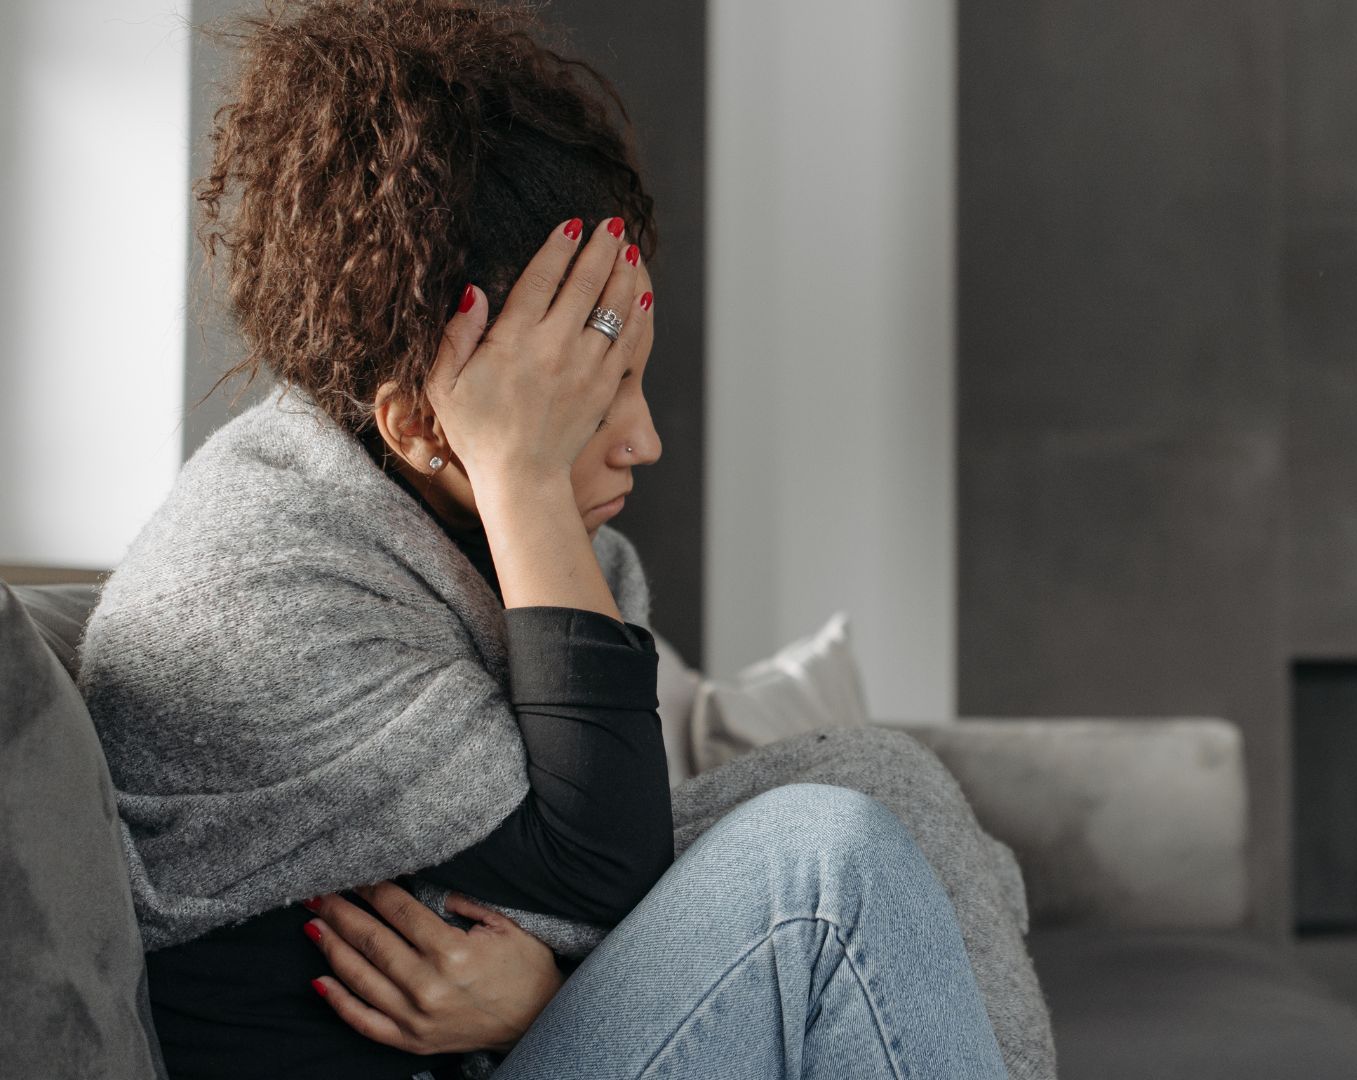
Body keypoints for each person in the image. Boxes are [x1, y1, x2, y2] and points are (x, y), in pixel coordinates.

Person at [77, 1, 1027, 1077]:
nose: (646, 440)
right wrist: (524, 472)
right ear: (424, 422)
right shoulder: (250, 585)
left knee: (881, 780)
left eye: (637, 376)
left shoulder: (454, 533)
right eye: (594, 391)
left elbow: (599, 885)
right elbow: (603, 872)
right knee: (825, 866)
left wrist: (549, 996)